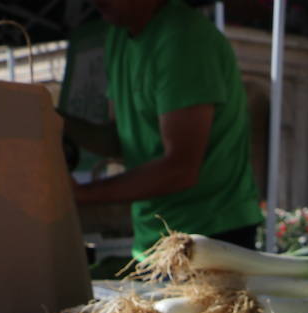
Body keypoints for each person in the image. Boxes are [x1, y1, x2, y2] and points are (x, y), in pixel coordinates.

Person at [62, 0, 261, 259]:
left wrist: (82, 194)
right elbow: (120, 140)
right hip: (153, 240)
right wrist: (49, 118)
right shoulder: (118, 35)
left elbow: (180, 169)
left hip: (210, 236)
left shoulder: (183, 38)